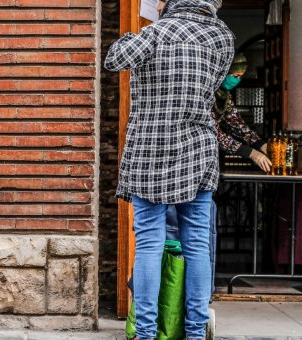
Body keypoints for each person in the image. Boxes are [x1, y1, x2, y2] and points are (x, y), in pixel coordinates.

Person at [104, 0, 234, 339]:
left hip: (152, 148)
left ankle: (146, 333)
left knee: (148, 243)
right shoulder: (221, 36)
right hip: (199, 148)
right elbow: (215, 82)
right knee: (197, 244)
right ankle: (195, 332)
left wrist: (148, 27)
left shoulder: (156, 33)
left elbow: (114, 57)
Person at [213, 53, 272, 173]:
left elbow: (237, 124)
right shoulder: (206, 94)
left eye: (241, 77)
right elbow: (214, 132)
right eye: (236, 76)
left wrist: (261, 145)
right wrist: (252, 153)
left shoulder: (226, 96)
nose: (237, 80)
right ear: (223, 73)